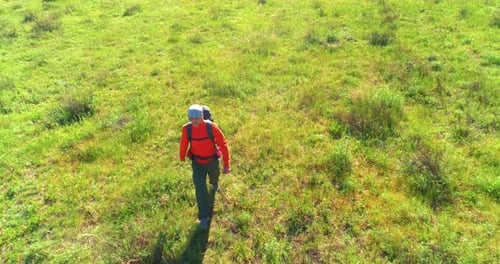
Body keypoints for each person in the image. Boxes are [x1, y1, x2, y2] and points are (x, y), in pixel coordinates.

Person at [179, 104, 231, 229]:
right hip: (197, 162)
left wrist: (227, 164)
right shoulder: (187, 129)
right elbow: (184, 143)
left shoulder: (211, 128)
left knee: (214, 176)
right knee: (200, 187)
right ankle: (204, 216)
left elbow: (223, 145)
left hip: (212, 160)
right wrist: (181, 156)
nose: (194, 121)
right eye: (191, 118)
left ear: (202, 117)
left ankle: (215, 183)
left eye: (197, 118)